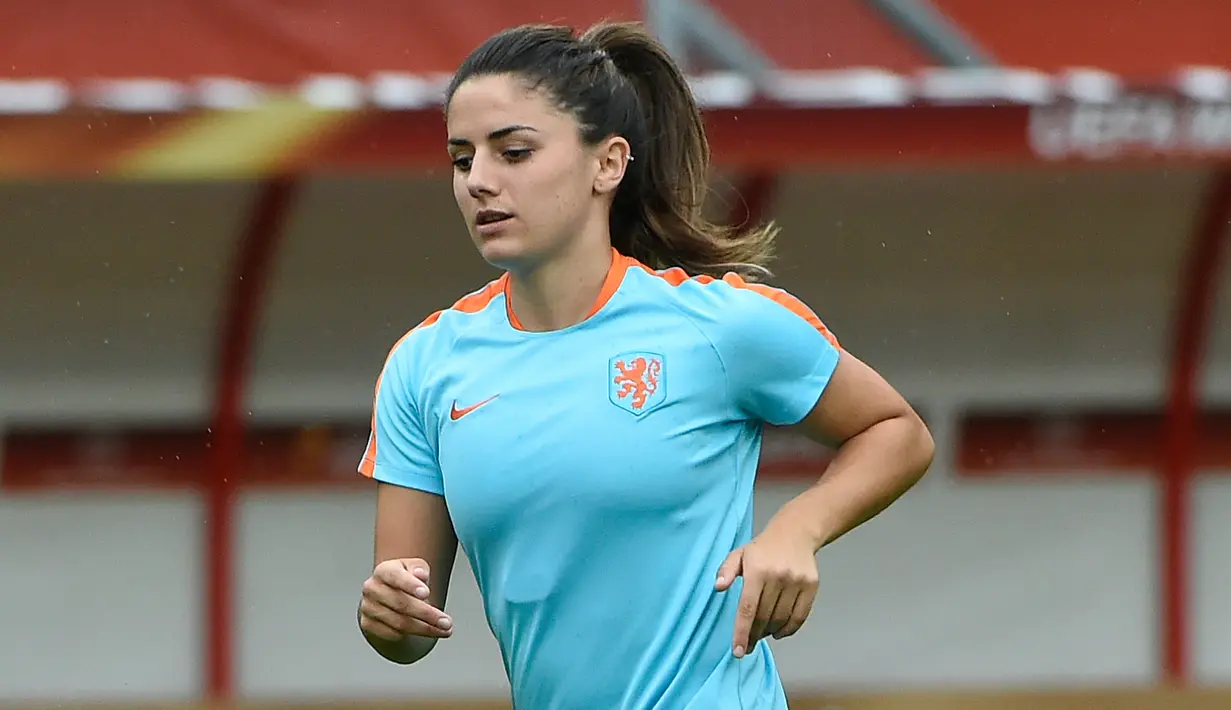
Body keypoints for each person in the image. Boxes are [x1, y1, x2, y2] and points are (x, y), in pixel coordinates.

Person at [355, 20, 934, 710]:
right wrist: (386, 615)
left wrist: (795, 530)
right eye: (460, 158)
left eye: (512, 151)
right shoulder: (425, 364)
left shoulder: (722, 327)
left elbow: (896, 431)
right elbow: (409, 627)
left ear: (608, 163)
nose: (479, 180)